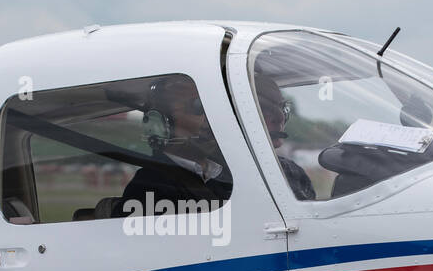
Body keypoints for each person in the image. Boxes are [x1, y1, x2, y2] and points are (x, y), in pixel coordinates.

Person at [120, 76, 232, 211]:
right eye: (197, 108)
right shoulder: (149, 187)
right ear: (160, 123)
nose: (210, 120)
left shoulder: (225, 177)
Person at [257, 77, 316, 200]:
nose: (280, 118)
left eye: (282, 107)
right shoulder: (212, 173)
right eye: (264, 108)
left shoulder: (293, 172)